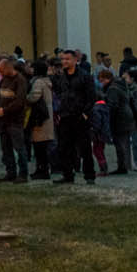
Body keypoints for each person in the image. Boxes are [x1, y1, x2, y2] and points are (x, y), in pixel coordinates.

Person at [51, 49, 100, 184]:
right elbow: (59, 94)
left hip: (80, 116)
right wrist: (59, 112)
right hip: (65, 116)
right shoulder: (62, 77)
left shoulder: (85, 76)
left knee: (85, 148)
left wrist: (85, 114)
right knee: (64, 147)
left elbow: (91, 97)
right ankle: (68, 175)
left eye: (67, 59)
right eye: (63, 59)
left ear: (75, 60)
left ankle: (89, 175)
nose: (64, 61)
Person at [0, 57, 30, 182]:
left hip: (15, 120)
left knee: (19, 147)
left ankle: (23, 174)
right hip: (3, 120)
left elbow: (19, 102)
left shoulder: (20, 80)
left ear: (8, 68)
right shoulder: (4, 79)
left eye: (1, 70)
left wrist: (5, 110)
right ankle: (10, 172)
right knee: (6, 148)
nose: (0, 73)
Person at [26, 59, 55, 179]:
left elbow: (33, 97)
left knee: (39, 146)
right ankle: (43, 169)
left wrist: (24, 97)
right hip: (47, 116)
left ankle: (42, 170)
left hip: (40, 116)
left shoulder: (38, 82)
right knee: (43, 146)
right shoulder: (47, 81)